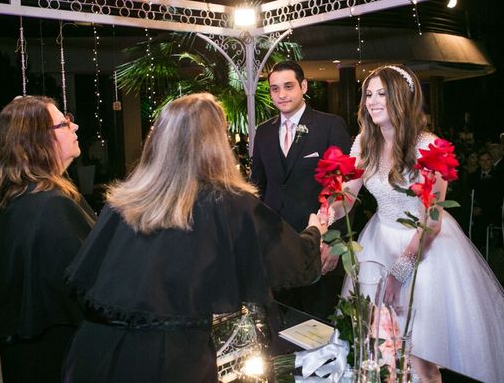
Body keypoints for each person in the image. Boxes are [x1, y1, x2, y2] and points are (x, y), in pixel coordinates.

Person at [63, 93, 326, 383]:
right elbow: (295, 263)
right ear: (216, 143)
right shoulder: (229, 203)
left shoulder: (124, 200)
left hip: (95, 352)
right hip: (170, 361)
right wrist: (315, 231)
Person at [329, 66, 504, 382]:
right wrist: (327, 213)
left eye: (382, 93)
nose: (372, 101)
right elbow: (347, 197)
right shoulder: (362, 143)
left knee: (422, 358)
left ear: (401, 98)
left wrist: (398, 273)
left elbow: (432, 222)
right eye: (368, 94)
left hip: (426, 252)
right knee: (378, 345)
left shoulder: (429, 147)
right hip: (378, 243)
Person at [0, 96, 95, 383]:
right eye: (64, 123)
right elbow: (91, 288)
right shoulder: (50, 206)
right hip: (59, 361)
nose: (75, 125)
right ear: (37, 142)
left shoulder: (24, 198)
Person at [250, 60, 352, 319]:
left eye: (288, 86)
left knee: (318, 323)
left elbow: (344, 189)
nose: (281, 94)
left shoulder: (330, 125)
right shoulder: (263, 132)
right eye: (274, 89)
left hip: (317, 245)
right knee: (280, 325)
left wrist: (334, 241)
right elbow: (257, 187)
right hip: (276, 246)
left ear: (303, 86)